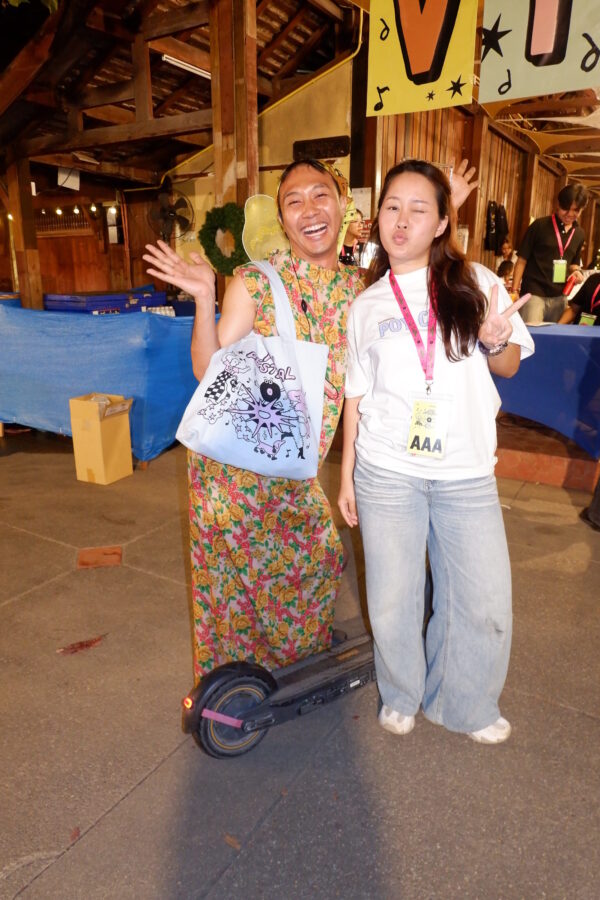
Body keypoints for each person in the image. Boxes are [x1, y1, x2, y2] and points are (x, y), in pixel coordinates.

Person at [143, 157, 478, 683]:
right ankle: (238, 682)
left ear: (343, 207)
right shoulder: (256, 282)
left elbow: (420, 268)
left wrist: (442, 208)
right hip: (237, 467)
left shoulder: (361, 290)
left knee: (313, 563)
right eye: (293, 201)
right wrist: (206, 297)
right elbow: (208, 370)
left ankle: (281, 666)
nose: (309, 209)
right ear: (282, 219)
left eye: (320, 195)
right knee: (250, 581)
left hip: (296, 467)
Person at [338, 159, 534, 745]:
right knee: (392, 596)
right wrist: (346, 476)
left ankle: (464, 702)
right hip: (386, 470)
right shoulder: (366, 306)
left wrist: (495, 340)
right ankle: (401, 692)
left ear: (443, 222)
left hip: (465, 471)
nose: (402, 221)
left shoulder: (476, 282)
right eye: (392, 207)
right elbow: (356, 397)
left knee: (481, 595)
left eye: (418, 209)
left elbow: (509, 365)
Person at [512, 184, 588, 324]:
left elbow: (574, 263)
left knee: (553, 335)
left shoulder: (579, 234)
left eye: (576, 210)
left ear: (582, 209)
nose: (570, 214)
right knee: (532, 334)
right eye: (566, 208)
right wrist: (514, 290)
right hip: (534, 293)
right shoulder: (539, 226)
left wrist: (577, 272)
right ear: (558, 204)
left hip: (560, 297)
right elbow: (522, 260)